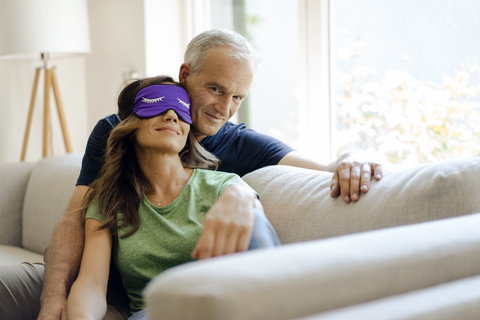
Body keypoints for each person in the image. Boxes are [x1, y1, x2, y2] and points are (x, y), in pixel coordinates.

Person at [0, 29, 382, 320]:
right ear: (186, 75)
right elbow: (75, 217)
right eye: (215, 89)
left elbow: (321, 167)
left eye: (237, 97)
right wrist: (53, 302)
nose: (224, 108)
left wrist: (350, 155)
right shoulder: (116, 131)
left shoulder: (234, 150)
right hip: (105, 287)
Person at [66, 79, 279, 320]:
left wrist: (244, 195)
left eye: (180, 108)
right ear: (131, 124)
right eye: (156, 105)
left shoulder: (224, 186)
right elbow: (91, 285)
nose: (171, 115)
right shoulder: (109, 200)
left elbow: (261, 249)